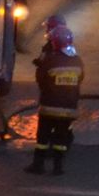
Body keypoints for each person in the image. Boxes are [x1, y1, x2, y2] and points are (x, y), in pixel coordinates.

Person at [25, 25, 83, 175]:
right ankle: (58, 167)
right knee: (61, 139)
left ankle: (38, 166)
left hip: (49, 108)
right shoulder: (77, 61)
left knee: (43, 138)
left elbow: (41, 80)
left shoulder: (49, 60)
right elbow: (80, 79)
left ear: (54, 42)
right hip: (69, 109)